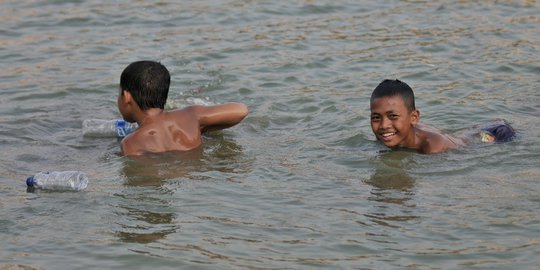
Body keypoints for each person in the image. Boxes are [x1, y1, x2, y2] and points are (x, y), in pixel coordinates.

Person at [117, 60, 248, 156]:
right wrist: (204, 126)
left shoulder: (130, 143)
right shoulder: (190, 115)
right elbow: (241, 110)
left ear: (127, 97)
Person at [369, 79, 463, 154]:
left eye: (393, 116)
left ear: (413, 118)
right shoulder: (384, 135)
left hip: (465, 146)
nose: (384, 125)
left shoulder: (432, 147)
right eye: (376, 117)